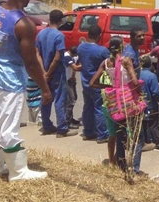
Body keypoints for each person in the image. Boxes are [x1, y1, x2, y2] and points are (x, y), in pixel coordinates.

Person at [0, 0, 51, 181]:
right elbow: (31, 62)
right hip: (8, 80)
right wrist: (44, 88)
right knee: (9, 127)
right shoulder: (23, 24)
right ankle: (18, 171)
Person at [90, 36, 139, 171]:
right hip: (125, 104)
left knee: (113, 134)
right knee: (128, 135)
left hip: (109, 104)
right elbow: (134, 82)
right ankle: (122, 162)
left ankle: (112, 160)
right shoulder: (126, 61)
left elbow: (92, 83)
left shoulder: (106, 62)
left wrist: (108, 86)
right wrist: (138, 95)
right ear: (122, 47)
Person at [36, 10, 76, 138]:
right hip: (57, 73)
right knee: (59, 100)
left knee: (46, 97)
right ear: (61, 21)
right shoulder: (59, 36)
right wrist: (49, 72)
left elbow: (37, 54)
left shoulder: (41, 33)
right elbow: (58, 57)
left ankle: (46, 126)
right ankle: (62, 129)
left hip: (44, 73)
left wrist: (44, 72)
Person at [77, 25, 111, 143]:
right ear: (99, 36)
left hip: (85, 81)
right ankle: (102, 134)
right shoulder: (101, 50)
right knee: (100, 108)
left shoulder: (81, 47)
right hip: (98, 84)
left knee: (88, 107)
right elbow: (110, 64)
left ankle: (88, 131)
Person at [139, 56, 159, 152]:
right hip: (150, 105)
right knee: (153, 125)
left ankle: (146, 142)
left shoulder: (137, 74)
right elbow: (155, 93)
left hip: (139, 105)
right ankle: (157, 144)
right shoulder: (151, 76)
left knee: (144, 124)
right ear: (150, 64)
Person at [63, 46, 82, 128]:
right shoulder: (66, 56)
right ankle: (67, 121)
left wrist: (73, 76)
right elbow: (75, 67)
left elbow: (75, 66)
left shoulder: (74, 56)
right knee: (71, 100)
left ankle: (70, 118)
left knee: (74, 98)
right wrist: (85, 64)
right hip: (65, 80)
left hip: (70, 79)